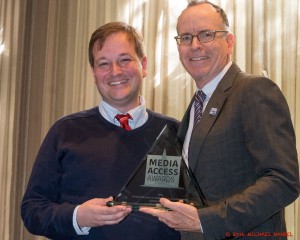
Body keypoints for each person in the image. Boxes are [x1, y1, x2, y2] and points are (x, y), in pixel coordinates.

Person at [140, 1, 300, 239]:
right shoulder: (194, 109)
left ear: (229, 42)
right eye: (185, 37)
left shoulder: (253, 91)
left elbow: (283, 181)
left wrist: (205, 221)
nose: (195, 45)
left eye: (206, 35)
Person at [21, 22, 180, 240]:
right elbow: (32, 211)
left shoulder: (176, 133)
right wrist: (78, 217)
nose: (115, 71)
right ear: (94, 73)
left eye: (125, 60)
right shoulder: (65, 132)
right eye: (103, 64)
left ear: (143, 65)